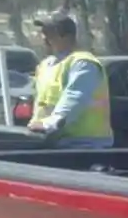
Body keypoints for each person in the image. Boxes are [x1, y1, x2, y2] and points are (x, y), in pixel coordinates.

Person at [27, 15, 113, 147]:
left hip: (85, 144)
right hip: (52, 140)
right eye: (43, 33)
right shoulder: (46, 65)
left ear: (66, 37)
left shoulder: (83, 63)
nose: (44, 39)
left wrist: (49, 123)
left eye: (49, 34)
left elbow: (75, 96)